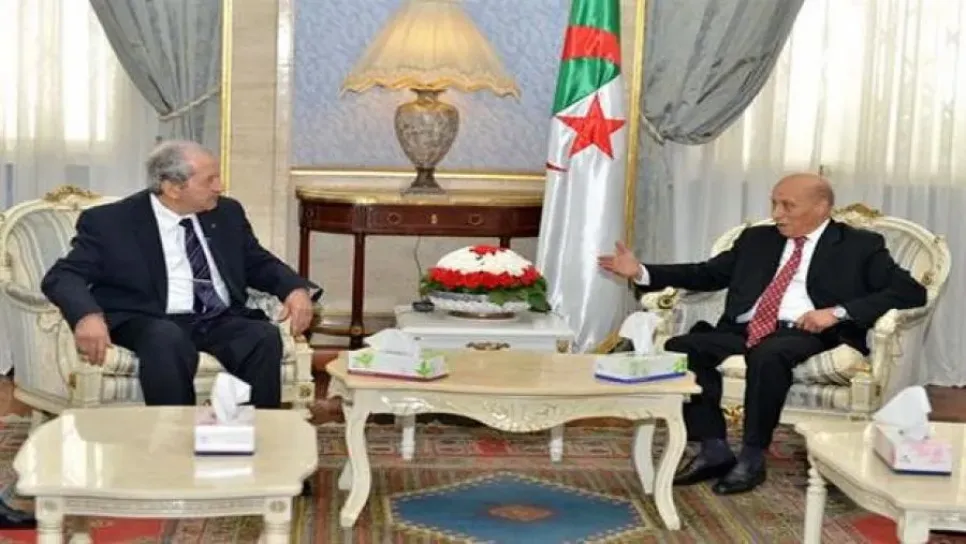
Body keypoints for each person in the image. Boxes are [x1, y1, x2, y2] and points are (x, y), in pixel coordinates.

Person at [598, 173, 926, 495]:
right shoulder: (757, 239)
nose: (777, 214)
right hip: (745, 328)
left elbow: (911, 292)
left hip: (805, 332)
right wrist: (642, 271)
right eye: (774, 203)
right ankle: (714, 448)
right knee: (681, 347)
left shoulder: (859, 245)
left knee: (769, 354)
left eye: (788, 205)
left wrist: (837, 312)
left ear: (821, 207)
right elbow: (707, 274)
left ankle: (752, 457)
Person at [41, 140, 321, 408]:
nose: (220, 186)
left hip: (215, 317)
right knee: (166, 339)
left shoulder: (226, 212)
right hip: (148, 318)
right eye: (210, 180)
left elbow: (256, 262)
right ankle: (175, 434)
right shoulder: (112, 222)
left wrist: (293, 289)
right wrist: (87, 315)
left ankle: (242, 432)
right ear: (173, 188)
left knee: (261, 337)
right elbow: (64, 275)